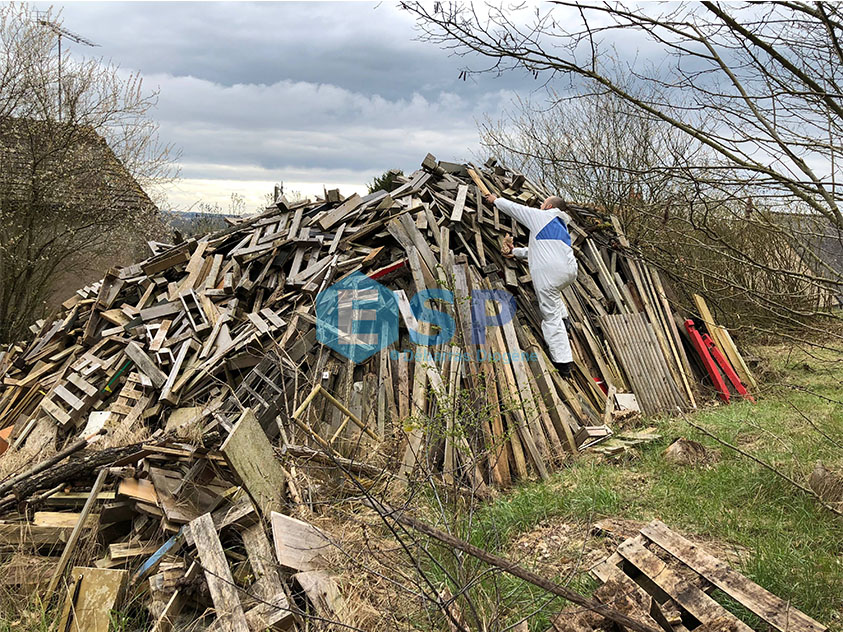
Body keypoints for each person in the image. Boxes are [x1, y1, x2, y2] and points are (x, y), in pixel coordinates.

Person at [485, 193, 578, 377]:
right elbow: (539, 249)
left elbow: (516, 209)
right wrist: (516, 252)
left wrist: (495, 200)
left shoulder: (542, 216)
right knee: (554, 293)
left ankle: (563, 362)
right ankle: (565, 319)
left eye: (543, 203)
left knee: (550, 316)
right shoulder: (559, 225)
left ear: (549, 207)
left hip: (550, 273)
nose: (540, 205)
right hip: (568, 271)